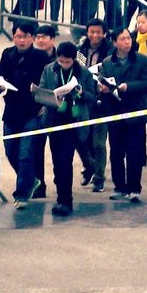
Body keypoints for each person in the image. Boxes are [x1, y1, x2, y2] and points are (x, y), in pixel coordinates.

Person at [38, 42, 97, 216]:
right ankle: (61, 196)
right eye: (61, 61)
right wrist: (51, 96)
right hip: (55, 119)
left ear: (73, 60)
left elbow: (92, 96)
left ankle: (66, 200)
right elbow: (43, 91)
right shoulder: (49, 69)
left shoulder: (84, 73)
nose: (63, 64)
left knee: (65, 160)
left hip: (74, 120)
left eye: (67, 62)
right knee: (57, 162)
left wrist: (80, 93)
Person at [0, 22, 49, 208]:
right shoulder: (7, 54)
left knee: (26, 154)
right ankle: (31, 180)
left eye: (26, 36)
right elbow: (0, 76)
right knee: (11, 150)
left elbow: (47, 81)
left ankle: (22, 194)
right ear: (13, 37)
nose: (22, 40)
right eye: (18, 36)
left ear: (32, 38)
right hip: (11, 111)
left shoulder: (41, 56)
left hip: (32, 112)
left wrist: (43, 100)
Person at [99, 29, 147, 202]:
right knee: (116, 152)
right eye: (122, 39)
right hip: (115, 113)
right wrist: (105, 89)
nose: (127, 42)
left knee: (134, 152)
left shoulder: (142, 60)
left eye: (129, 38)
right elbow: (103, 81)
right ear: (115, 42)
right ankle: (119, 186)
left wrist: (128, 87)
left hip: (136, 113)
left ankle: (134, 188)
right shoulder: (107, 63)